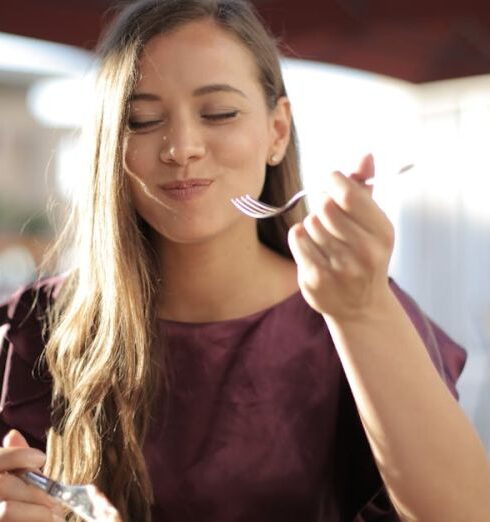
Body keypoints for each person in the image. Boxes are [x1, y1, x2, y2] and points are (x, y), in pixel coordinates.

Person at [0, 0, 489, 520]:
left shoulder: (357, 309)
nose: (181, 147)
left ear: (277, 131)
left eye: (219, 113)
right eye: (142, 120)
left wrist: (362, 311)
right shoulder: (36, 328)